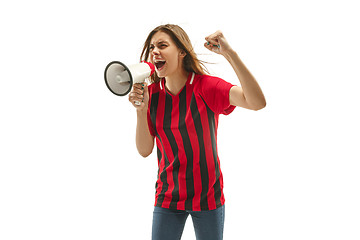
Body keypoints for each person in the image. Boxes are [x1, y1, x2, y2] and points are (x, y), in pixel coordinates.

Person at [128, 24, 266, 240]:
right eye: (152, 47)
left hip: (207, 197)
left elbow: (257, 102)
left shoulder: (206, 87)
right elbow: (144, 150)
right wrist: (141, 109)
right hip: (168, 197)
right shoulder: (152, 95)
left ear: (182, 51)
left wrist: (230, 54)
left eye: (163, 45)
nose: (155, 51)